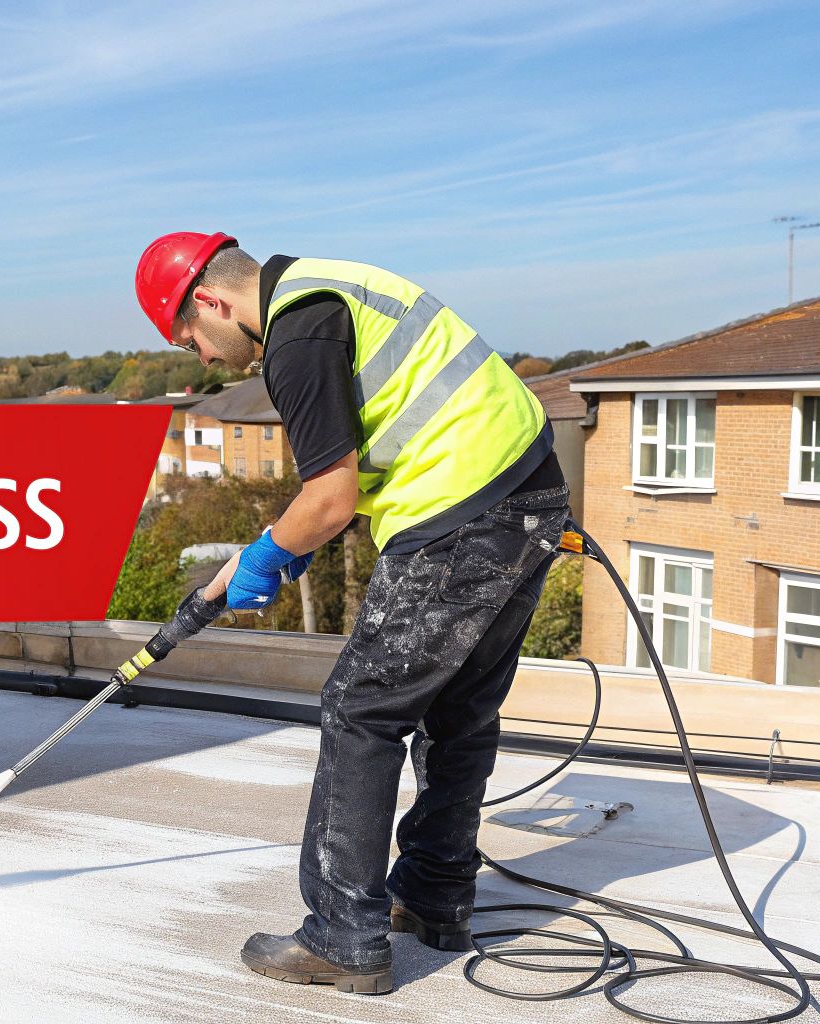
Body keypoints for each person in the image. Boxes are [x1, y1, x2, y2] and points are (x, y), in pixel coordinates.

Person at [134, 232, 571, 995]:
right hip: (529, 494)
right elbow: (358, 468)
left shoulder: (295, 336)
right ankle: (433, 898)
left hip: (460, 514)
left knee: (361, 710)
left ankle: (344, 935)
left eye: (190, 338)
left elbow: (329, 498)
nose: (200, 357)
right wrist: (289, 542)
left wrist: (270, 555)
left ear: (211, 301)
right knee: (459, 711)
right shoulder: (329, 286)